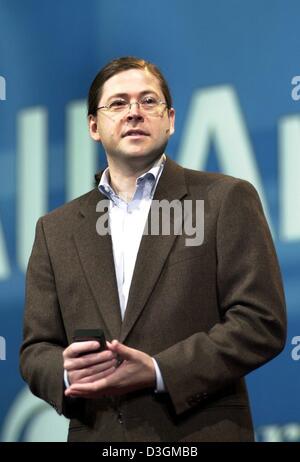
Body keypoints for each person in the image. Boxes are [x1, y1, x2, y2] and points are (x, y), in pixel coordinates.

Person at [20, 56, 286, 442]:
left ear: (170, 119)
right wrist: (63, 372)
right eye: (118, 103)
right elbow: (35, 349)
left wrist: (160, 370)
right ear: (94, 126)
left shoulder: (224, 199)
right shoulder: (55, 229)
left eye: (148, 101)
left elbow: (261, 321)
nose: (134, 113)